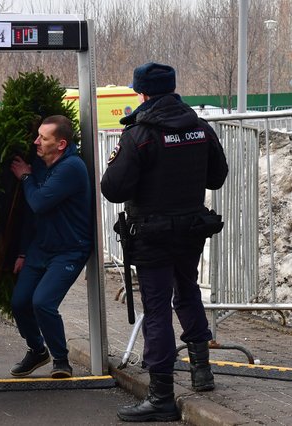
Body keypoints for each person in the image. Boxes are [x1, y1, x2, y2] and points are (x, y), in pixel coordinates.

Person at [101, 63, 228, 422]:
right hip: (190, 229)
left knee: (157, 309)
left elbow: (112, 188)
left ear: (141, 93)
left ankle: (161, 396)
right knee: (187, 291)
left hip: (153, 234)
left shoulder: (139, 133)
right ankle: (202, 372)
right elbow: (217, 177)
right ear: (172, 89)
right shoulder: (200, 127)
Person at [8, 115, 93, 379]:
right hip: (40, 248)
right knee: (20, 302)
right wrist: (23, 251)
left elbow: (39, 203)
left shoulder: (71, 167)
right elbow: (30, 217)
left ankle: (61, 359)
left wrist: (25, 178)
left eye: (43, 138)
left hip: (69, 249)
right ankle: (37, 350)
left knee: (43, 302)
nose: (36, 142)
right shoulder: (41, 165)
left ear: (61, 144)